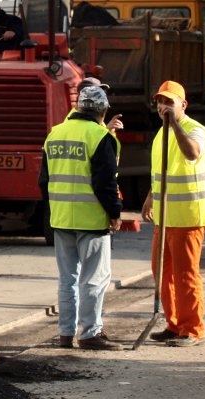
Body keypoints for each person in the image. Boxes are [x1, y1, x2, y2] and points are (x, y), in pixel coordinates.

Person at [39, 86, 123, 350]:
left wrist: (55, 209)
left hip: (61, 219)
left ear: (79, 108)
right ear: (103, 111)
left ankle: (65, 334)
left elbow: (44, 181)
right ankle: (89, 334)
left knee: (67, 280)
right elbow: (105, 183)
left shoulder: (54, 134)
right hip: (91, 220)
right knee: (94, 279)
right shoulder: (99, 136)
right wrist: (115, 212)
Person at [141, 80, 205, 347]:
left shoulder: (195, 130)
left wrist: (175, 125)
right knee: (163, 272)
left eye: (168, 102)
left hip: (188, 215)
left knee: (185, 273)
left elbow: (191, 153)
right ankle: (174, 324)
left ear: (183, 105)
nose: (162, 107)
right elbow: (163, 170)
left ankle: (192, 328)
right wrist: (150, 196)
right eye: (159, 102)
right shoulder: (162, 133)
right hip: (165, 214)